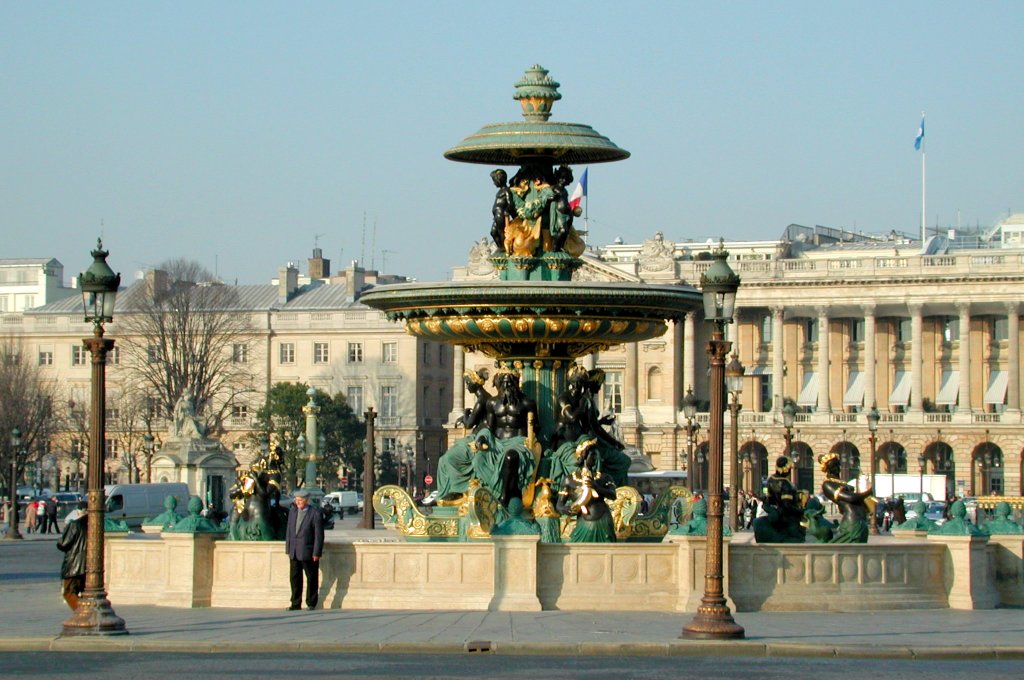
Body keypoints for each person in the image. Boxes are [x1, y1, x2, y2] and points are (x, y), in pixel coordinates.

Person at [285, 488, 324, 611]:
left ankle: (311, 602)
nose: (298, 502)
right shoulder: (293, 512)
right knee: (295, 578)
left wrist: (316, 552)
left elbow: (319, 535)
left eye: (300, 500)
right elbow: (289, 531)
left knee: (311, 577)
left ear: (306, 500)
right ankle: (295, 603)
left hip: (308, 551)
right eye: (296, 500)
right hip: (294, 551)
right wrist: (288, 548)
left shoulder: (314, 513)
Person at [56, 500, 88, 610]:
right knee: (84, 591)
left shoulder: (75, 524)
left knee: (68, 592)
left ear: (79, 512)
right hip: (89, 565)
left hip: (74, 564)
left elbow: (64, 544)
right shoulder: (94, 524)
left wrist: (59, 541)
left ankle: (82, 612)